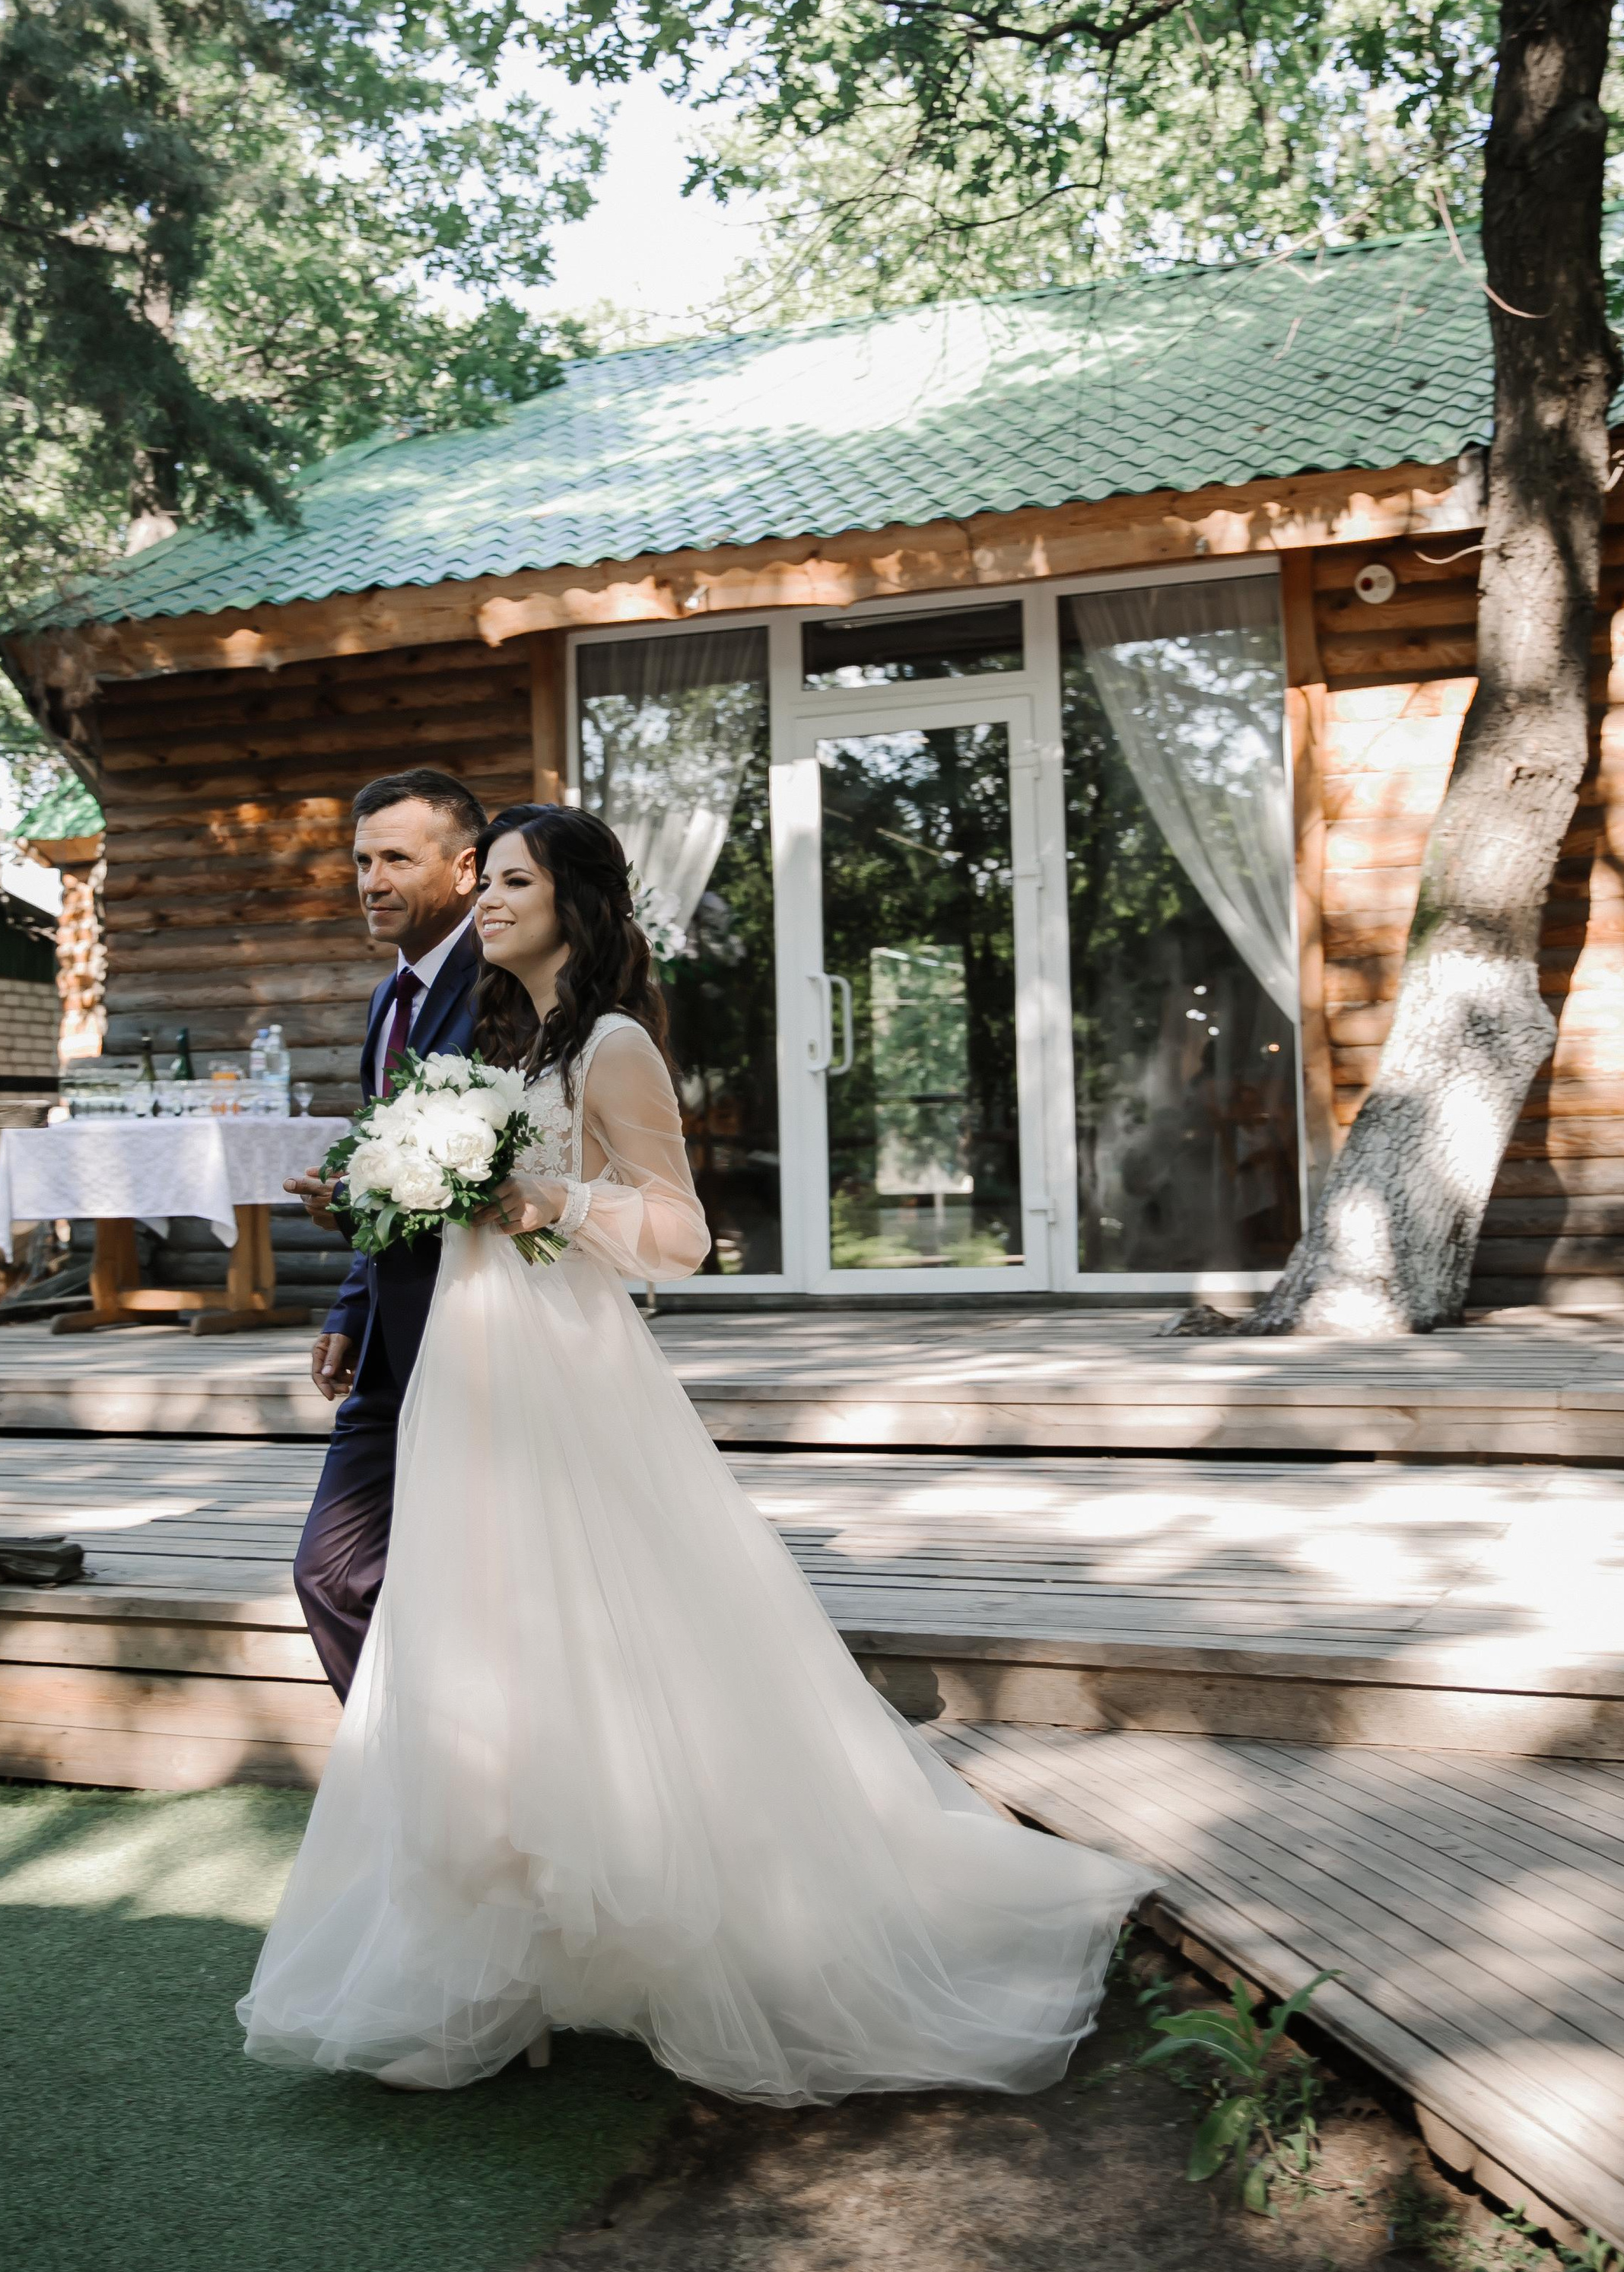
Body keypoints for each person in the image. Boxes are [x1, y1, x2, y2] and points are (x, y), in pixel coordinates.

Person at [241, 806, 1152, 2105]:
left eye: (511, 882)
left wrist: (546, 1199)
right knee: (484, 1641)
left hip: (567, 1373)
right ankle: (507, 1953)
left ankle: (656, 1915)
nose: (485, 901)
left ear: (577, 901)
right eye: (484, 881)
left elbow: (680, 1235)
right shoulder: (499, 1038)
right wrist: (383, 1194)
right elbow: (454, 1212)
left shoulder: (611, 1044)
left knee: (603, 1628)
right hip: (470, 1373)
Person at [281, 767, 485, 1700]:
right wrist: (351, 1307)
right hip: (391, 1332)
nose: (370, 881)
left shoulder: (506, 987)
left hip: (485, 1329)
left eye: (397, 859)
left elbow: (509, 1163)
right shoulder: (383, 1000)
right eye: (362, 861)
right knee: (331, 1572)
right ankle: (418, 1775)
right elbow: (388, 1167)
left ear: (465, 869)